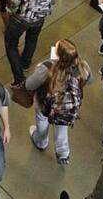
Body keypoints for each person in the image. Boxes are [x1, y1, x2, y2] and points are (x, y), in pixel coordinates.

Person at [25, 38, 92, 166]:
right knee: (62, 126)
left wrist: (39, 68)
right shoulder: (82, 67)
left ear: (58, 54)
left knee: (42, 121)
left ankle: (41, 142)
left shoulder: (46, 68)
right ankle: (63, 153)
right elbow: (89, 80)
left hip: (45, 104)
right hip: (67, 107)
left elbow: (29, 85)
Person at [4, 0, 57, 85]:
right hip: (39, 18)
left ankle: (19, 77)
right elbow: (53, 0)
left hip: (20, 19)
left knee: (11, 44)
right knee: (32, 39)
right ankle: (26, 62)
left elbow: (11, 5)